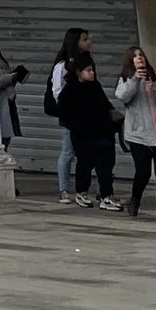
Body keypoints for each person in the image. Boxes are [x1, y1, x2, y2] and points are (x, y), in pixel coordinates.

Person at [115, 45, 156, 224]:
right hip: (139, 136)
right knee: (143, 172)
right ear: (130, 61)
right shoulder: (125, 79)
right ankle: (135, 199)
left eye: (141, 55)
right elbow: (122, 96)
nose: (139, 58)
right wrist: (135, 80)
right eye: (135, 56)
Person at [51, 54, 122, 209]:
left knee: (106, 165)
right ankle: (82, 192)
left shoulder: (95, 86)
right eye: (88, 70)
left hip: (102, 132)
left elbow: (106, 105)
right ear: (78, 72)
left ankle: (106, 195)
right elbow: (64, 113)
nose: (92, 73)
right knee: (85, 163)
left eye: (93, 70)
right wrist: (78, 126)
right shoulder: (69, 91)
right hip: (82, 135)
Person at [48, 27, 92, 204]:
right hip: (71, 115)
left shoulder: (88, 61)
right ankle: (63, 189)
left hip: (87, 114)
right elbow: (57, 90)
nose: (88, 42)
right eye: (84, 39)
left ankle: (84, 188)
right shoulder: (62, 65)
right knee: (68, 151)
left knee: (86, 151)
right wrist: (68, 109)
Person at [0, 37, 28, 146]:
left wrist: (14, 77)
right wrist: (7, 78)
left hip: (8, 106)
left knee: (5, 142)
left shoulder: (2, 62)